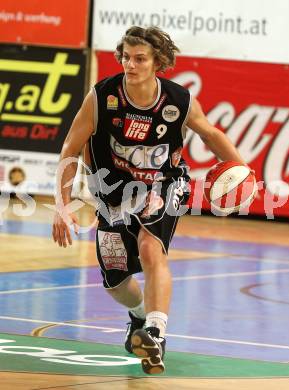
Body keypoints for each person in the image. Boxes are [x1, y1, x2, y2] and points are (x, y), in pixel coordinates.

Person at [52, 26, 247, 375]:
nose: (130, 64)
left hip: (163, 183)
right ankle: (139, 317)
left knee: (149, 247)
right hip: (113, 191)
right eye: (126, 57)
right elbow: (69, 149)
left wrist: (242, 170)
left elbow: (211, 134)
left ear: (158, 61)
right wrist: (62, 205)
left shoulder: (178, 100)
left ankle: (156, 333)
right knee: (114, 279)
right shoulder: (102, 97)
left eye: (140, 58)